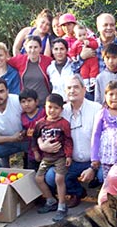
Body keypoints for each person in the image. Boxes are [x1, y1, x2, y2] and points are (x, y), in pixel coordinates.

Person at [42, 75, 103, 208]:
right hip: (71, 161)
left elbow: (103, 140)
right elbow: (42, 127)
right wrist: (42, 144)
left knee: (104, 174)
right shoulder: (61, 111)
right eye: (69, 88)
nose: (72, 90)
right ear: (65, 91)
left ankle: (106, 199)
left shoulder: (96, 109)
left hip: (96, 160)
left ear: (84, 89)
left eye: (76, 87)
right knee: (51, 177)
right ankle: (77, 192)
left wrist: (93, 167)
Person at [30, 93, 74, 222]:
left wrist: (69, 155)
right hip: (46, 157)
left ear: (61, 109)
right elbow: (34, 138)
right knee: (38, 178)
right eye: (49, 107)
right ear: (45, 107)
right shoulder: (40, 123)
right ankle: (50, 200)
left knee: (59, 178)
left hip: (60, 156)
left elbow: (68, 140)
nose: (52, 110)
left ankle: (62, 206)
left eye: (56, 108)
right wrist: (36, 152)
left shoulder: (63, 124)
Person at [0, 35, 53, 104]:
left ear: (41, 48)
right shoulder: (20, 60)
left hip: (44, 102)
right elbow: (2, 60)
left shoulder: (47, 61)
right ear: (25, 48)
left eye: (35, 47)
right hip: (26, 103)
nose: (32, 50)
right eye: (30, 47)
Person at [20, 88, 46, 170]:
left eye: (29, 100)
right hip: (31, 151)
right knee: (32, 171)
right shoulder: (22, 117)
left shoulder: (43, 113)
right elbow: (25, 130)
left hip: (45, 149)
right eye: (23, 102)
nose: (26, 104)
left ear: (36, 101)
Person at [70, 24, 99, 95]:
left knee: (94, 69)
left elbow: (96, 45)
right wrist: (73, 57)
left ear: (87, 33)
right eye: (80, 36)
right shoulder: (76, 44)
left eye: (84, 34)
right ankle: (86, 84)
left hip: (92, 60)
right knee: (84, 72)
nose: (83, 37)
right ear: (75, 36)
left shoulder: (90, 40)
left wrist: (89, 43)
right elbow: (71, 51)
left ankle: (93, 80)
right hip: (84, 62)